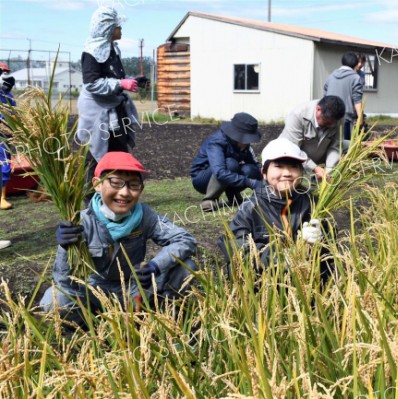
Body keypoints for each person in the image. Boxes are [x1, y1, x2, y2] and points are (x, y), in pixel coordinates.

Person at [40, 152, 198, 322]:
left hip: (134, 289)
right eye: (115, 183)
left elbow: (185, 239)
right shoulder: (81, 221)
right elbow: (63, 282)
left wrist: (155, 265)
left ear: (141, 189)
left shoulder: (145, 216)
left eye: (133, 185)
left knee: (186, 267)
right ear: (97, 184)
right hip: (93, 293)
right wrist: (64, 248)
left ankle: (164, 315)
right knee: (54, 300)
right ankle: (89, 325)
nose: (124, 192)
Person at [218, 138, 332, 282]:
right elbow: (239, 251)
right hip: (265, 284)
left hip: (305, 283)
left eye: (293, 167)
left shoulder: (312, 203)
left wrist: (319, 240)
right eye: (278, 166)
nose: (287, 173)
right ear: (264, 173)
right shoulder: (251, 207)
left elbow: (329, 250)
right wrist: (290, 254)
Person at [77, 7, 140, 204]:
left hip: (115, 109)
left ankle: (118, 195)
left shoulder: (112, 49)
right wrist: (121, 84)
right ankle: (91, 200)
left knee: (119, 152)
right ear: (106, 29)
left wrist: (128, 81)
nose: (120, 30)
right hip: (98, 112)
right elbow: (92, 83)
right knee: (97, 155)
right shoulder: (92, 52)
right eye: (117, 27)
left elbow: (112, 78)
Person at [190, 112, 262, 212]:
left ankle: (233, 194)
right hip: (203, 179)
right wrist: (249, 182)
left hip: (225, 174)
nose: (248, 141)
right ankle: (210, 199)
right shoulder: (217, 141)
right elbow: (219, 171)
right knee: (230, 164)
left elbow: (253, 164)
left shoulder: (243, 144)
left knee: (250, 169)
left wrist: (266, 178)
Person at [279, 96, 345, 181]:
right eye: (326, 121)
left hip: (319, 151)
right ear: (318, 109)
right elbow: (293, 149)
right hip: (291, 154)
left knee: (349, 145)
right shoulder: (297, 115)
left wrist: (329, 171)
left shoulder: (338, 118)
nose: (329, 125)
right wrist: (314, 167)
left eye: (332, 124)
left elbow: (336, 146)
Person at [323, 52, 363, 141]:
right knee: (344, 146)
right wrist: (360, 118)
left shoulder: (331, 76)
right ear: (356, 64)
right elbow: (357, 100)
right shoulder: (355, 78)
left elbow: (325, 96)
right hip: (345, 118)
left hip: (328, 116)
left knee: (329, 144)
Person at [0, 74, 16, 210]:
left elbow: (14, 115)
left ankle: (2, 197)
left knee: (4, 162)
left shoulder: (8, 97)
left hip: (3, 135)